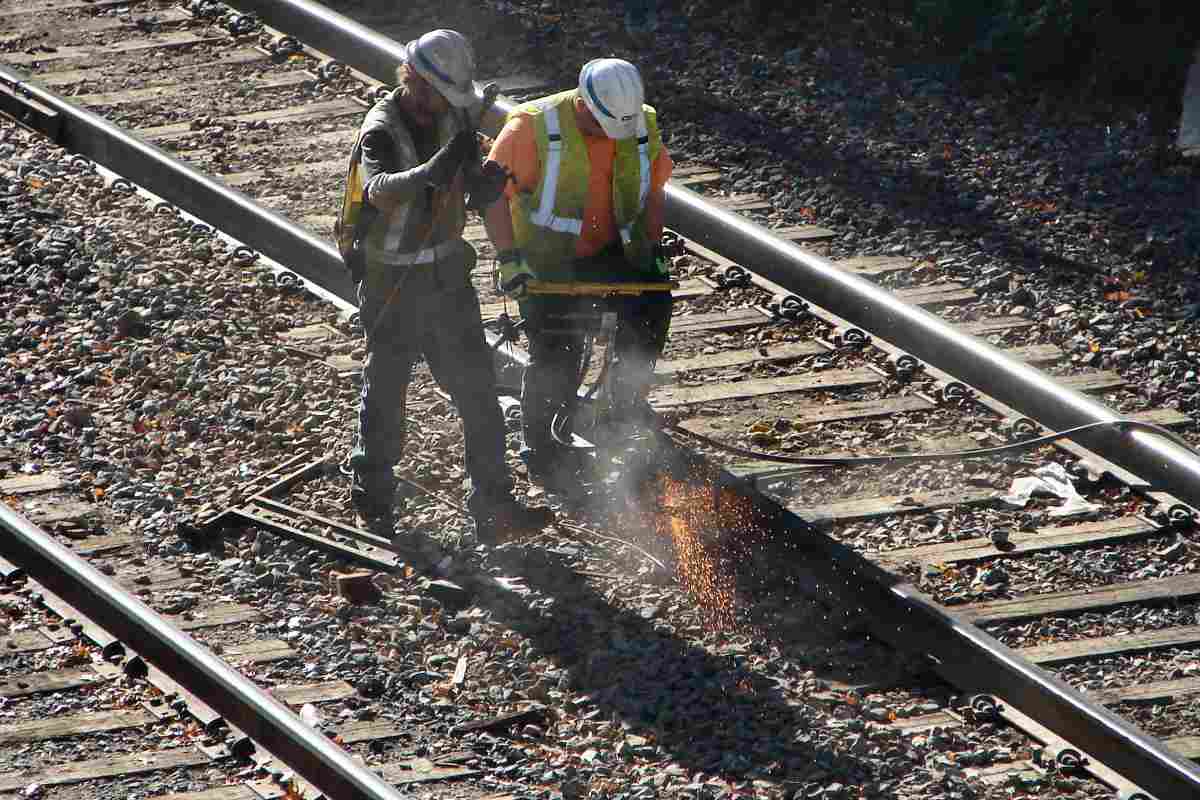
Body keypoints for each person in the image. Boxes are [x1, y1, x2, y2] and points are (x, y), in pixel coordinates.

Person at [335, 29, 553, 541]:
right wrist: (434, 168)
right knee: (387, 387)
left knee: (478, 392)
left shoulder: (454, 117)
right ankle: (373, 492)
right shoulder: (381, 130)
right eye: (441, 93)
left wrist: (484, 185)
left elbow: (473, 189)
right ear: (414, 80)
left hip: (449, 277)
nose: (449, 104)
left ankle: (494, 507)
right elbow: (380, 190)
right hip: (394, 280)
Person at [482, 58, 674, 482]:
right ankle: (541, 450)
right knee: (557, 352)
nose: (610, 136)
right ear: (585, 105)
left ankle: (622, 409)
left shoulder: (639, 123)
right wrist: (509, 258)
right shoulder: (530, 127)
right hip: (547, 260)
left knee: (653, 307)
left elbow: (654, 190)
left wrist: (652, 249)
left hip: (611, 250)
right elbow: (490, 195)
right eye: (602, 126)